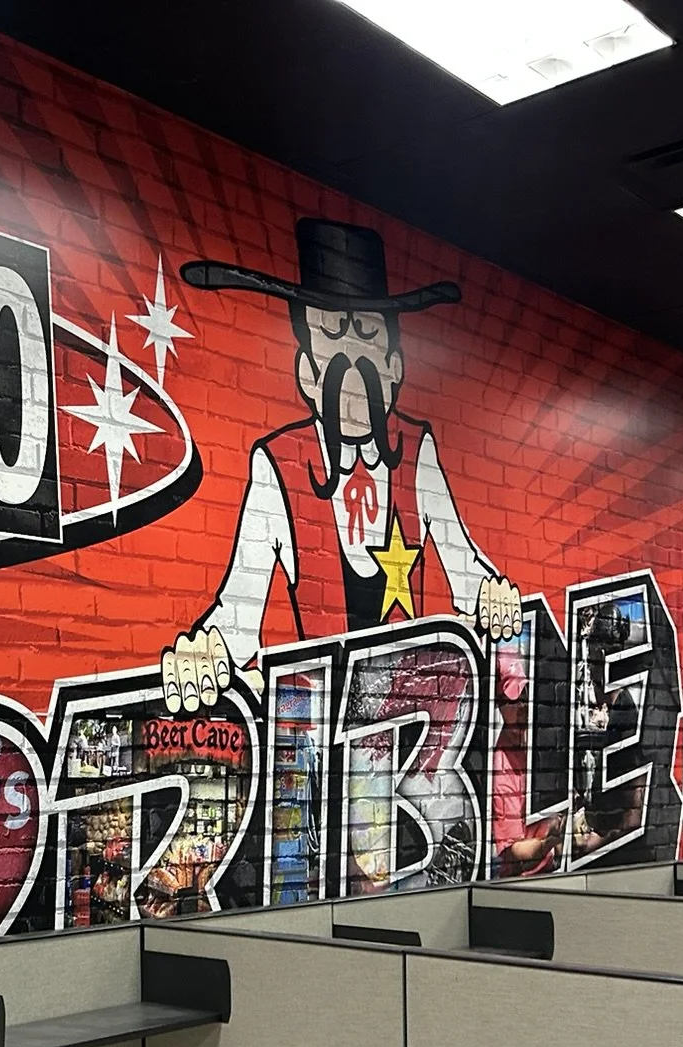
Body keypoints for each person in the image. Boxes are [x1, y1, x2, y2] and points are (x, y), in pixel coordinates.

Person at [162, 218, 523, 714]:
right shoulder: (277, 466)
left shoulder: (418, 452)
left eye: (367, 335)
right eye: (332, 333)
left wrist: (493, 595)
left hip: (411, 731)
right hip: (319, 750)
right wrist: (204, 652)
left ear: (395, 368)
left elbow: (469, 571)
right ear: (307, 373)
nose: (352, 359)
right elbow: (237, 613)